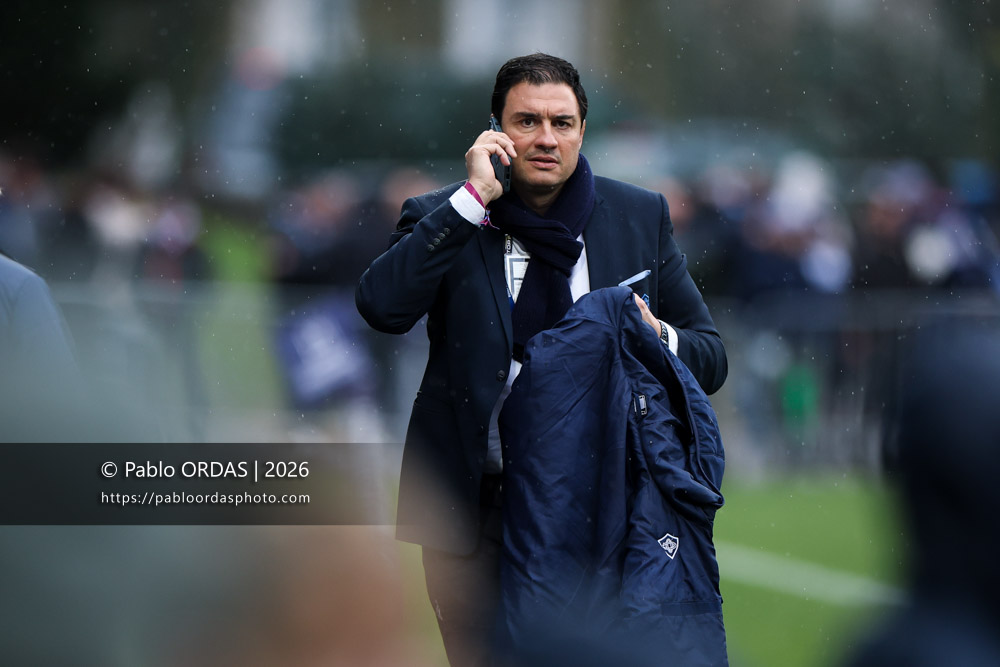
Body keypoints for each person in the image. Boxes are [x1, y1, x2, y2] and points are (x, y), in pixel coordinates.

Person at [356, 52, 728, 666]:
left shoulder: (638, 215)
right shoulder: (445, 215)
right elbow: (382, 306)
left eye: (563, 122)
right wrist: (473, 197)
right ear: (496, 129)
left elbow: (709, 357)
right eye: (527, 121)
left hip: (604, 503)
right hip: (475, 507)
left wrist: (653, 332)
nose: (547, 139)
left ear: (583, 129)